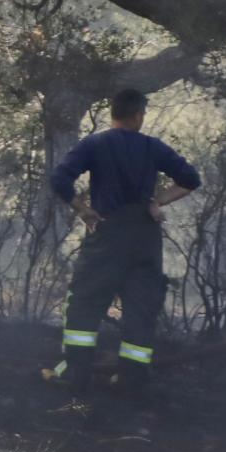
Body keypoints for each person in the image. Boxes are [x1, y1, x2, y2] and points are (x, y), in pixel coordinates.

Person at [43, 87, 203, 381]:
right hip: (145, 237)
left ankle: (75, 373)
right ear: (138, 115)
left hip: (108, 234)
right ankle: (133, 378)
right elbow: (191, 180)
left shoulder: (95, 144)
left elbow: (60, 179)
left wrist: (83, 210)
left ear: (114, 113)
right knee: (141, 306)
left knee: (85, 301)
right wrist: (158, 201)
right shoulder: (153, 147)